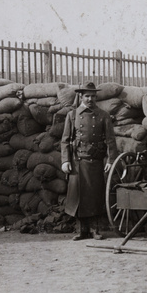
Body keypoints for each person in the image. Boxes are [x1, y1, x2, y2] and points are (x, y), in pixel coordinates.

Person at [61, 81, 119, 240]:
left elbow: (111, 141)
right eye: (87, 96)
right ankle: (82, 230)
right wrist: (65, 161)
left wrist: (110, 160)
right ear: (80, 96)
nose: (90, 99)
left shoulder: (103, 115)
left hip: (95, 161)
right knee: (78, 196)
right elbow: (65, 140)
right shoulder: (72, 115)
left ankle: (95, 229)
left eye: (93, 96)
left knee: (94, 196)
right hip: (77, 161)